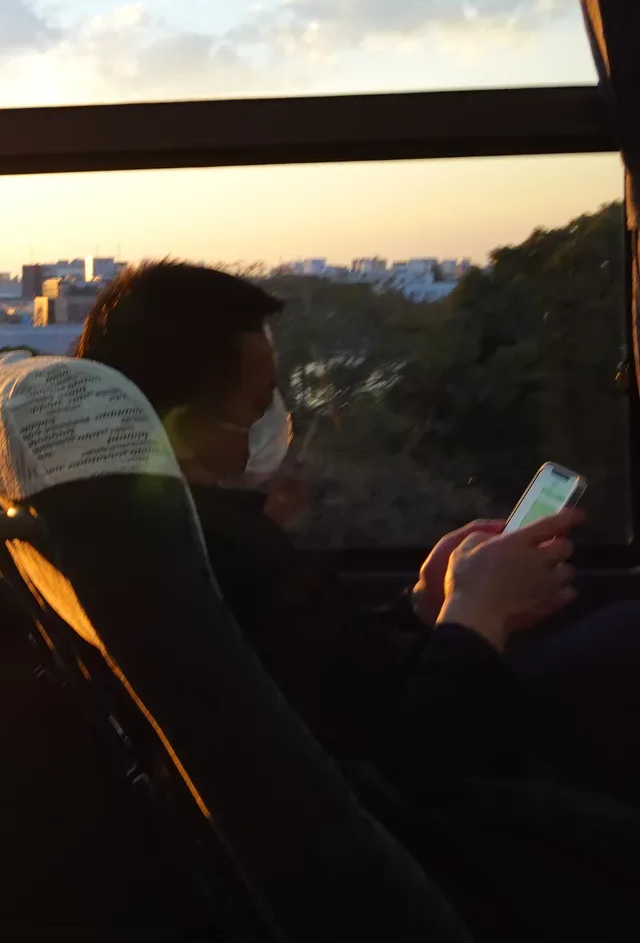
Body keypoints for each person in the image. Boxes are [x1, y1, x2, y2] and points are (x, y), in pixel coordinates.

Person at [74, 261, 640, 795]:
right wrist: (476, 616)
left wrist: (420, 606)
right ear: (186, 431)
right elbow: (418, 755)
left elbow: (334, 672)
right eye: (258, 404)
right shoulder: (216, 559)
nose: (277, 418)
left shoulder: (180, 532)